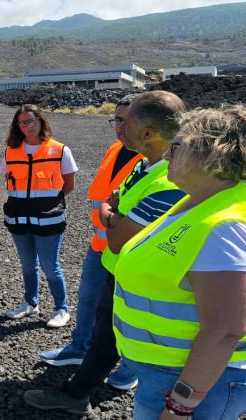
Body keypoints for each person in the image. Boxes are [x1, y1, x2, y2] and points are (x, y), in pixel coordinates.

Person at [114, 104, 246, 419]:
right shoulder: (200, 202)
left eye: (177, 147)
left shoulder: (225, 229)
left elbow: (224, 331)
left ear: (212, 154)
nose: (167, 154)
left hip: (196, 379)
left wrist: (180, 406)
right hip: (172, 370)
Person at [23, 91, 188, 415]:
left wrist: (111, 216)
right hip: (120, 270)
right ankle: (81, 389)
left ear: (148, 132)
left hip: (138, 278)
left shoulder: (169, 180)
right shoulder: (143, 164)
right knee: (106, 334)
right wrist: (113, 214)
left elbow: (117, 235)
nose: (117, 127)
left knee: (121, 342)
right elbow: (110, 200)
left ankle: (82, 392)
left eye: (124, 122)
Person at [39, 95, 144, 379]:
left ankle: (131, 367)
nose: (120, 127)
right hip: (101, 244)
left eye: (127, 120)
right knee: (88, 301)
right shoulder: (115, 149)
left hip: (131, 250)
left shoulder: (152, 161)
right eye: (117, 119)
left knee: (127, 310)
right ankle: (79, 348)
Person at [2, 104, 77, 328]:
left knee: (49, 265)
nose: (27, 126)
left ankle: (61, 308)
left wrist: (47, 203)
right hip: (18, 218)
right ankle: (30, 303)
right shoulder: (10, 150)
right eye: (23, 122)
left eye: (31, 121)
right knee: (27, 265)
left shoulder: (60, 150)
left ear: (41, 122)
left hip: (49, 219)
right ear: (18, 126)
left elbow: (69, 185)